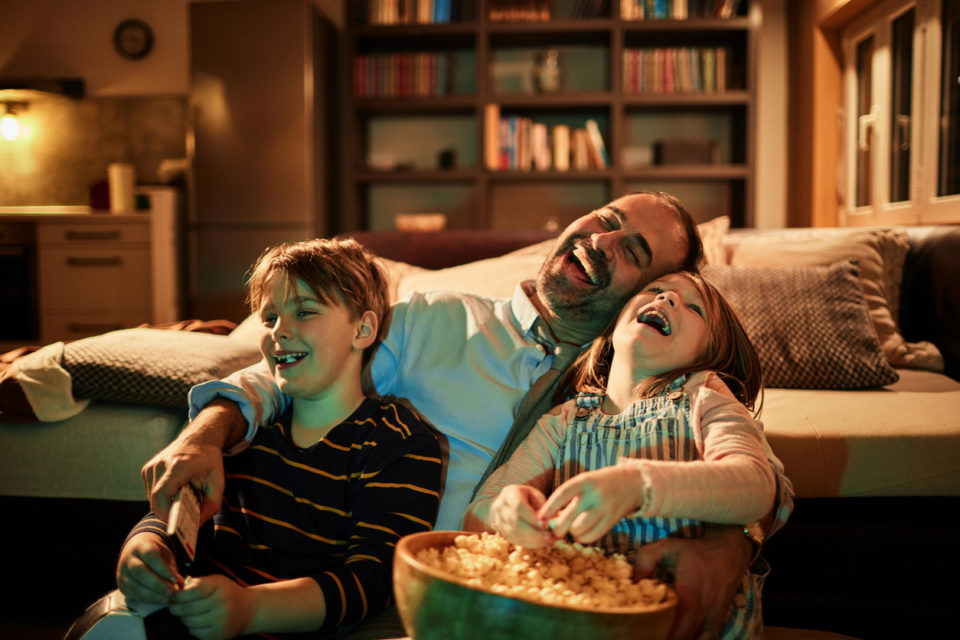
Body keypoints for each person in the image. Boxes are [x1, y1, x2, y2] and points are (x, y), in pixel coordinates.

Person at [141, 192, 794, 640]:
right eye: (606, 218)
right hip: (345, 591)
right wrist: (205, 432)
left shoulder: (625, 396)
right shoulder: (434, 319)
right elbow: (283, 372)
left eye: (634, 252)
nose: (602, 241)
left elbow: (752, 464)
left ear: (641, 301)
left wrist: (732, 542)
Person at [70, 238, 443, 640]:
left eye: (304, 312)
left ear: (363, 329)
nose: (279, 331)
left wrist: (251, 610)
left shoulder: (397, 439)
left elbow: (375, 577)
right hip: (192, 611)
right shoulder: (246, 427)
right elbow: (186, 514)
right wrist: (146, 548)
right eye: (269, 319)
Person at [464, 271, 779, 639]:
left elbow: (756, 486)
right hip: (577, 611)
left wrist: (638, 485)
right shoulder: (563, 420)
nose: (667, 299)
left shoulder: (706, 398)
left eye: (694, 307)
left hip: (684, 617)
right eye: (654, 290)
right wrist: (510, 510)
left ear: (709, 352)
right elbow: (478, 513)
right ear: (613, 325)